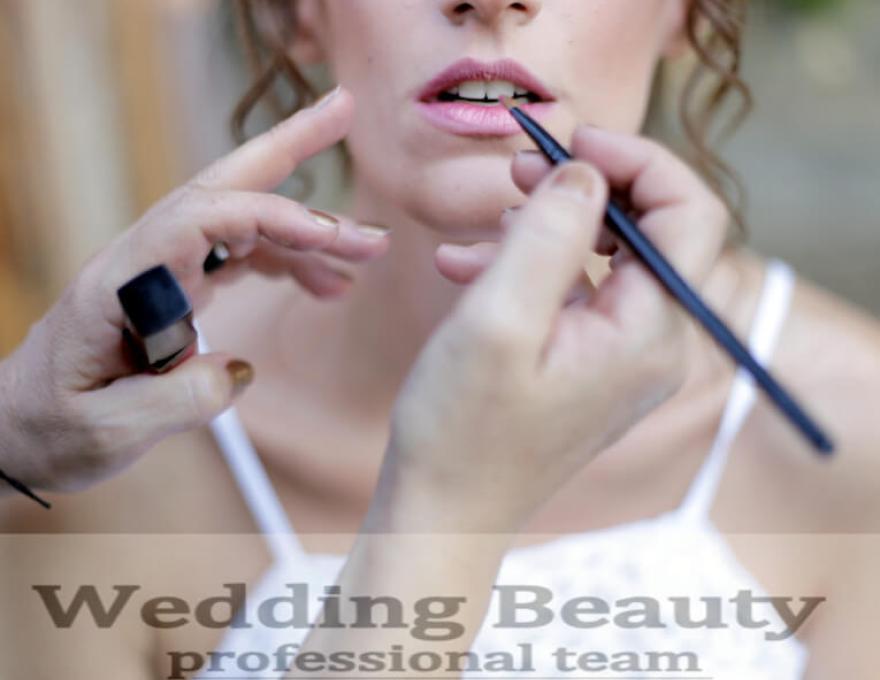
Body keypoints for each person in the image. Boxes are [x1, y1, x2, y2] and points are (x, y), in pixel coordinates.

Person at [1, 1, 878, 678]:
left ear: (688, 12)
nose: (487, 0)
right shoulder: (106, 451)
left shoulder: (859, 432)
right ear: (294, 12)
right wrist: (446, 512)